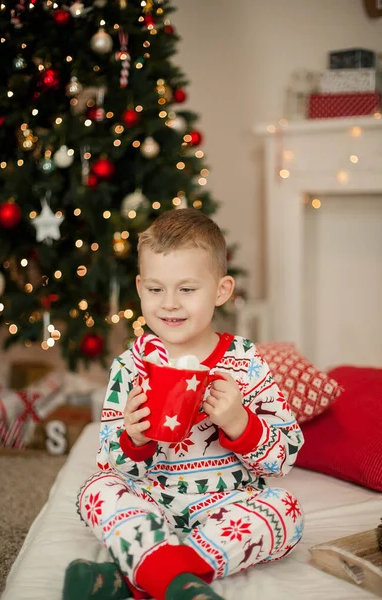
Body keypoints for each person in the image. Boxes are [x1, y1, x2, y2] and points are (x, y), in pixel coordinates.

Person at [63, 209, 304, 600]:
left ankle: (138, 579)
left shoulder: (246, 361)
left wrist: (240, 423)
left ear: (222, 290)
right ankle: (179, 583)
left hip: (228, 505)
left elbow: (285, 457)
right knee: (97, 488)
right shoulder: (130, 365)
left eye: (187, 289)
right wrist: (133, 437)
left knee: (286, 510)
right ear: (140, 288)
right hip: (151, 501)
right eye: (156, 290)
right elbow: (110, 462)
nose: (169, 304)